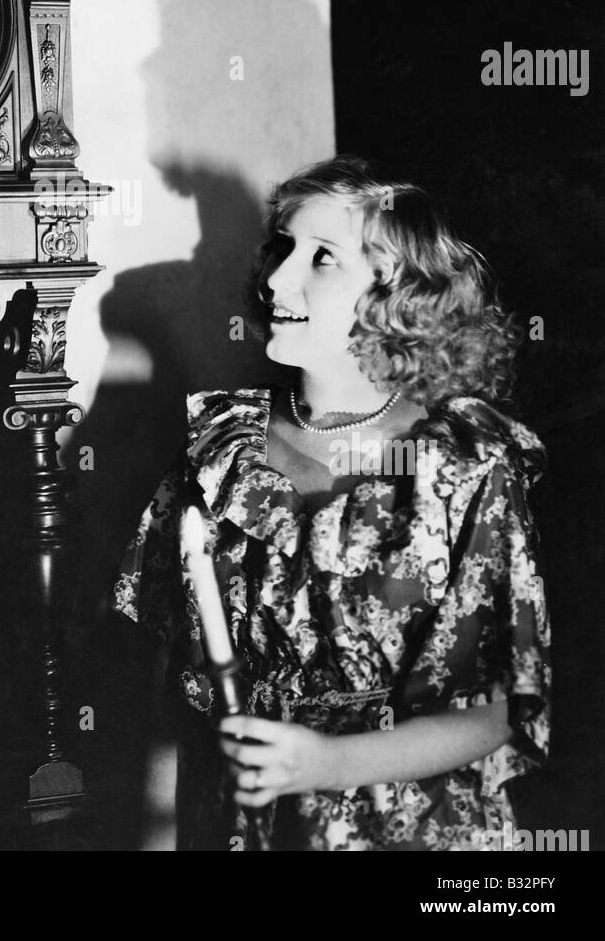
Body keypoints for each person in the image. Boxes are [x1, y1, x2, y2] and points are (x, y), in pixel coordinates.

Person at [113, 155, 550, 851]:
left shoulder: (463, 464)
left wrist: (325, 764)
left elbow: (500, 705)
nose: (277, 277)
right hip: (237, 823)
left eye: (321, 257)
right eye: (280, 248)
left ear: (396, 293)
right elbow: (174, 688)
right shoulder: (219, 453)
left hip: (411, 831)